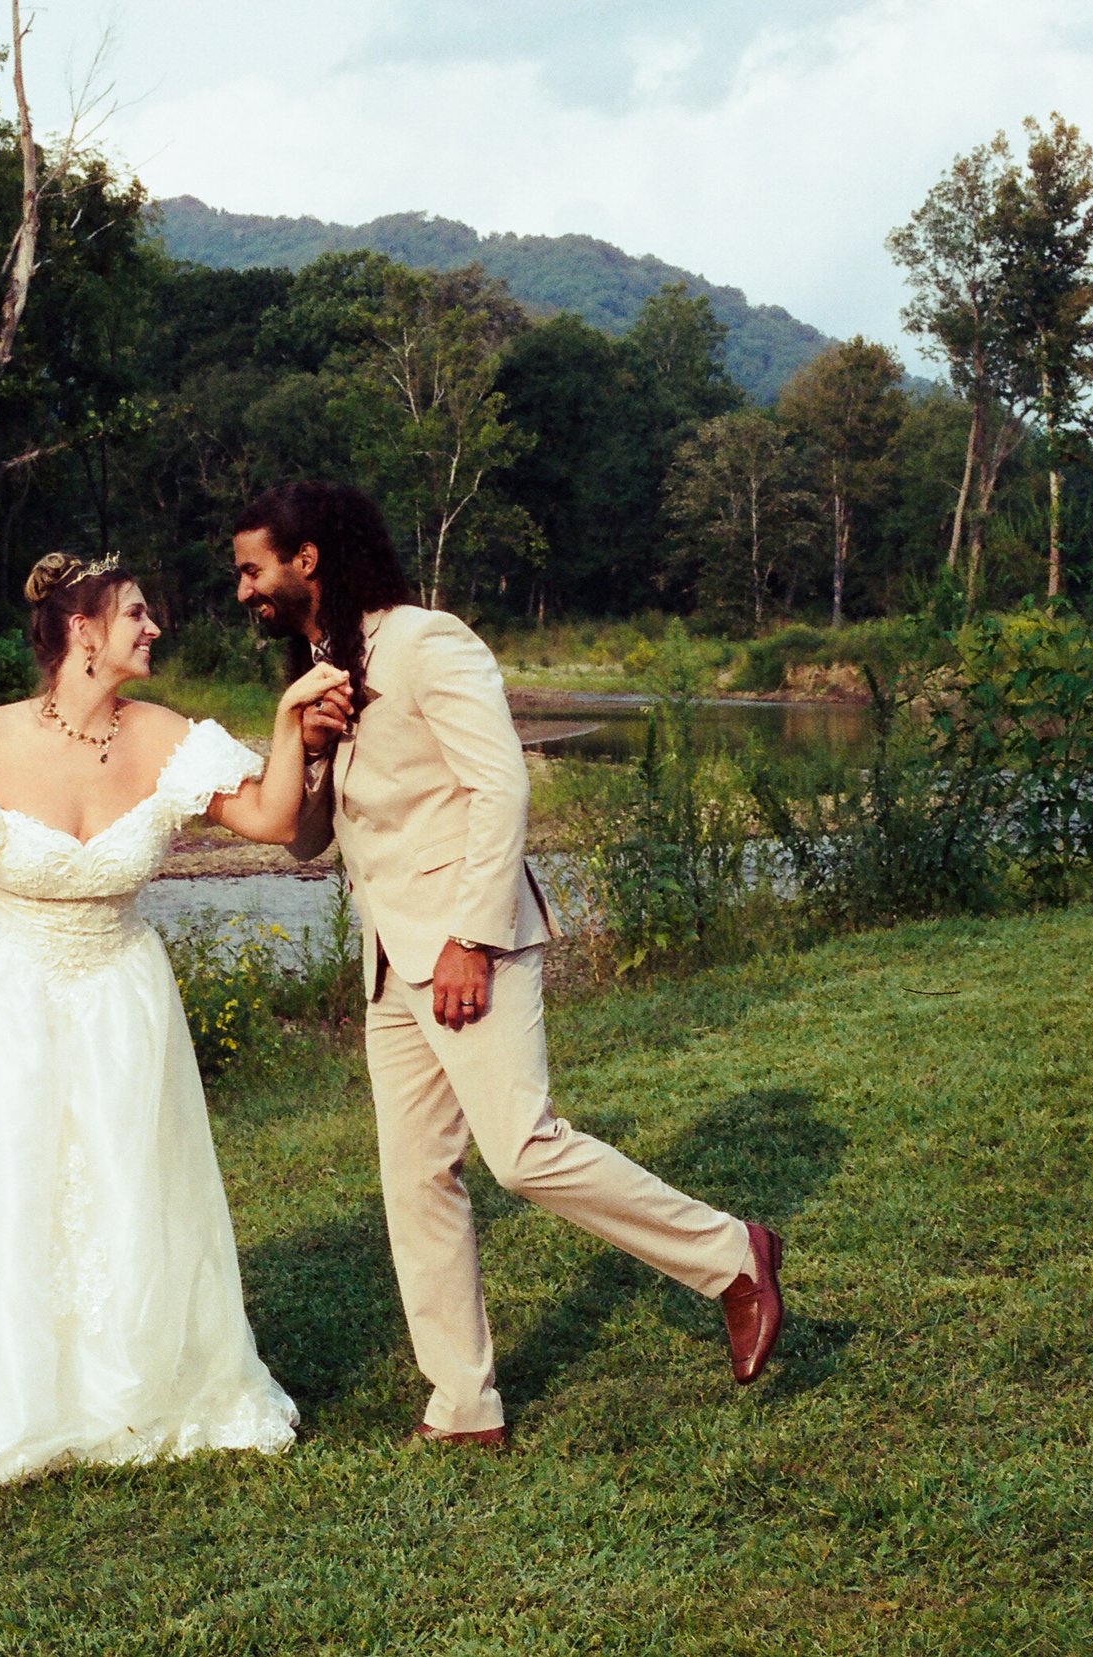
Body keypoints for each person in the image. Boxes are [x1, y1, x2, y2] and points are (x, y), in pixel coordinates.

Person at [233, 480, 785, 1448]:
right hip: (387, 962)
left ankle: (731, 1255)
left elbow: (501, 785)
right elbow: (306, 843)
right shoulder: (322, 667)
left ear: (306, 559)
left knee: (522, 1150)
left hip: (461, 946)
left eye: (251, 568)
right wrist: (310, 749)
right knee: (416, 1182)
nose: (242, 589)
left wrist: (471, 939)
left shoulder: (426, 641)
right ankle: (462, 1406)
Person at [0, 552, 349, 1488]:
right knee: (6, 1185)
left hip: (120, 994)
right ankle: (1, 1389)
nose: (153, 627)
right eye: (136, 612)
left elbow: (273, 818)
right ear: (83, 630)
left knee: (123, 1185)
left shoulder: (166, 733)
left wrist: (291, 719)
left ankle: (125, 1384)